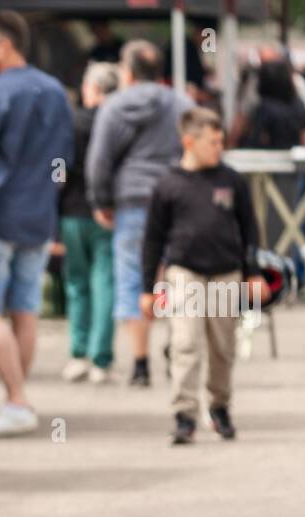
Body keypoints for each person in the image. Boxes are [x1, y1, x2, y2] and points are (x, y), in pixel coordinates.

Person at [0, 10, 73, 437]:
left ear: (6, 43)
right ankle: (16, 399)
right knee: (25, 307)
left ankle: (17, 400)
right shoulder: (55, 89)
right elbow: (65, 159)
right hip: (40, 211)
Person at [140, 108, 264, 445]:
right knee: (185, 342)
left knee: (223, 347)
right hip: (185, 271)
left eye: (221, 141)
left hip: (226, 271)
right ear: (189, 142)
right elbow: (153, 238)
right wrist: (149, 287)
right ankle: (184, 414)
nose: (219, 148)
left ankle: (220, 405)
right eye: (212, 142)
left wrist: (253, 273)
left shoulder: (232, 180)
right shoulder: (168, 185)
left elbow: (250, 229)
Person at [86, 39, 192, 388]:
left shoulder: (114, 106)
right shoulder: (181, 104)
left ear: (127, 71)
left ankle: (141, 363)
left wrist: (102, 201)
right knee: (175, 276)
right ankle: (176, 348)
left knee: (133, 279)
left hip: (131, 201)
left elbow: (99, 160)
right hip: (176, 199)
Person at [60, 61, 119, 385]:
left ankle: (78, 353)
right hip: (109, 211)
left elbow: (60, 168)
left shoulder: (73, 122)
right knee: (104, 282)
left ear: (92, 89)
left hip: (73, 210)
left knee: (77, 284)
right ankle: (101, 359)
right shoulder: (120, 121)